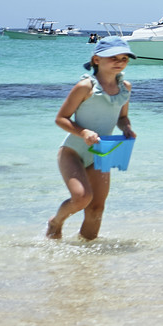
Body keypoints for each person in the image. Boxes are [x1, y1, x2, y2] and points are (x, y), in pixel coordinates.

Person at [50, 39, 135, 241]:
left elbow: (122, 118)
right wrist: (83, 133)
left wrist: (127, 128)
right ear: (96, 60)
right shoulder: (85, 87)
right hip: (73, 152)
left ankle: (88, 260)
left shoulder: (125, 88)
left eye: (124, 58)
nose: (120, 62)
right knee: (82, 198)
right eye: (113, 57)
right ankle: (55, 222)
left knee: (97, 209)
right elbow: (61, 119)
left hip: (101, 152)